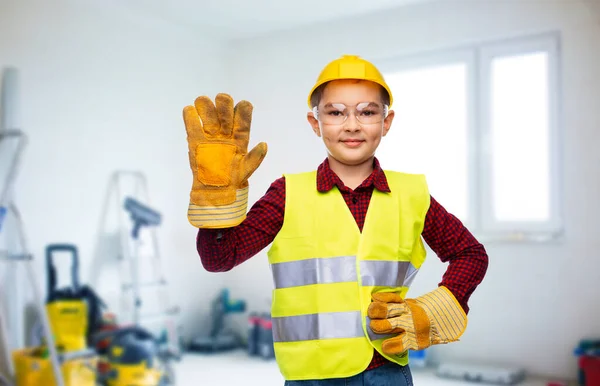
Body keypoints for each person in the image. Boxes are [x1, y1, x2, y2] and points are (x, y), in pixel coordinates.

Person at [182, 54, 489, 386]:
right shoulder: (287, 194)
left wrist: (431, 309)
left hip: (385, 371)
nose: (352, 125)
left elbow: (470, 255)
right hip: (309, 377)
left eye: (368, 112)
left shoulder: (412, 194)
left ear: (387, 122)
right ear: (316, 123)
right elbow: (219, 259)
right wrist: (216, 197)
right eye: (335, 112)